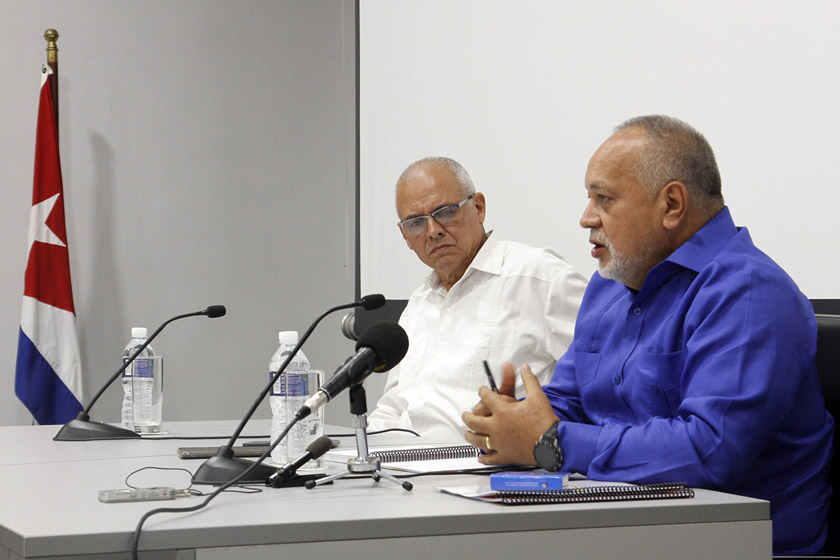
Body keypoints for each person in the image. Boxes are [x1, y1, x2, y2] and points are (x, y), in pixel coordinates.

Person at [462, 116, 834, 554]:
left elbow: (708, 451)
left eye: (604, 199)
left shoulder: (749, 293)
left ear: (672, 204)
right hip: (626, 532)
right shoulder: (609, 284)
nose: (585, 218)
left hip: (733, 546)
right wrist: (514, 420)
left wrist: (549, 444)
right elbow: (573, 399)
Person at [367, 157, 588, 441]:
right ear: (404, 235)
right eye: (416, 222)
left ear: (479, 208)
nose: (433, 230)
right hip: (407, 467)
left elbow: (599, 384)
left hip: (486, 467)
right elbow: (393, 406)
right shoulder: (419, 303)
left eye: (445, 212)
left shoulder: (541, 278)